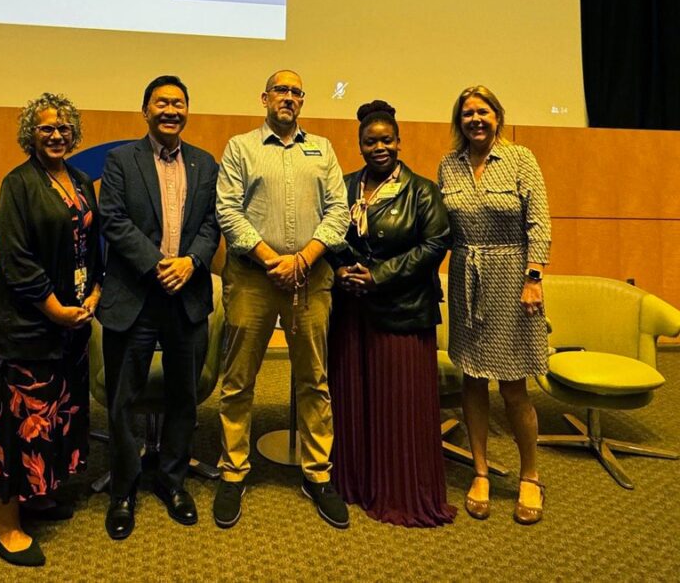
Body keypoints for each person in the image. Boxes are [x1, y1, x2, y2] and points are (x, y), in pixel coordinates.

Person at [0, 93, 102, 567]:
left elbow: (91, 244)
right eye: (46, 128)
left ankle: (37, 495)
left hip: (67, 328)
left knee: (53, 417)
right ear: (31, 134)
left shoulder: (81, 180)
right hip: (23, 328)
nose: (57, 134)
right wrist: (55, 309)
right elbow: (17, 261)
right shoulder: (17, 184)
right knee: (14, 425)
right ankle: (3, 525)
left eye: (64, 127)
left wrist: (94, 295)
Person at [214, 69, 350, 529]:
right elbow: (227, 211)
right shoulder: (241, 147)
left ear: (302, 101)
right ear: (265, 98)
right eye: (280, 91)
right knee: (238, 380)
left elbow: (339, 211)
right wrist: (274, 259)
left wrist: (304, 258)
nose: (288, 98)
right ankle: (232, 473)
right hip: (253, 278)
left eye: (296, 92)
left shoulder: (323, 149)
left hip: (310, 278)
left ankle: (317, 474)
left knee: (314, 380)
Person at [97, 75, 219, 539]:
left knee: (183, 398)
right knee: (123, 399)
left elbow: (212, 224)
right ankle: (123, 491)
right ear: (145, 109)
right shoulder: (120, 161)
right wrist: (158, 265)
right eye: (162, 102)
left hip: (186, 296)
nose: (171, 109)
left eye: (179, 103)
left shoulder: (205, 163)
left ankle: (172, 481)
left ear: (187, 111)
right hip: (136, 298)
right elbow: (112, 218)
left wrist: (190, 263)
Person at [328, 100, 456, 527]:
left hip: (402, 312)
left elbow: (435, 244)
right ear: (359, 144)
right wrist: (343, 269)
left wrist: (378, 276)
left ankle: (401, 491)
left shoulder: (422, 191)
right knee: (354, 399)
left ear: (399, 142)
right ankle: (356, 481)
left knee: (398, 405)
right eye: (370, 141)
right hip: (351, 311)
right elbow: (328, 233)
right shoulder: (343, 186)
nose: (378, 147)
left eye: (386, 140)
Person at [437, 85, 551, 525]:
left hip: (513, 276)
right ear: (459, 121)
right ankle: (480, 471)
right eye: (467, 113)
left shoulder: (521, 159)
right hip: (467, 274)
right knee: (472, 379)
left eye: (482, 112)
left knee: (514, 385)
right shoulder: (449, 164)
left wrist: (534, 278)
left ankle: (530, 475)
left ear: (497, 117)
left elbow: (539, 220)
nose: (475, 120)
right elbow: (442, 226)